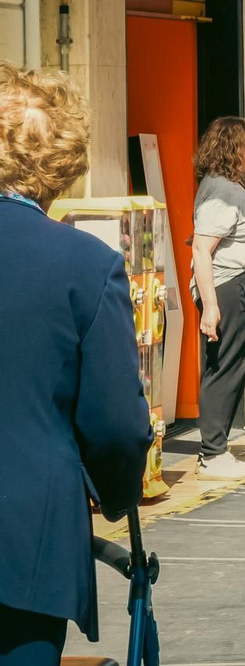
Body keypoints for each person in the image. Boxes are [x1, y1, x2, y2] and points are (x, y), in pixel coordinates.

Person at [0, 65, 153, 666]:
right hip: (25, 545)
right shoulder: (85, 265)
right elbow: (117, 425)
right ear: (62, 162)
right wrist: (114, 495)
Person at [191, 116, 245, 480]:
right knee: (224, 368)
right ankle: (212, 453)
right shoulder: (223, 192)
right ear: (231, 147)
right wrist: (211, 306)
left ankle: (216, 448)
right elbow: (201, 248)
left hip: (240, 288)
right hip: (232, 290)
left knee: (231, 367)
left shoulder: (228, 187)